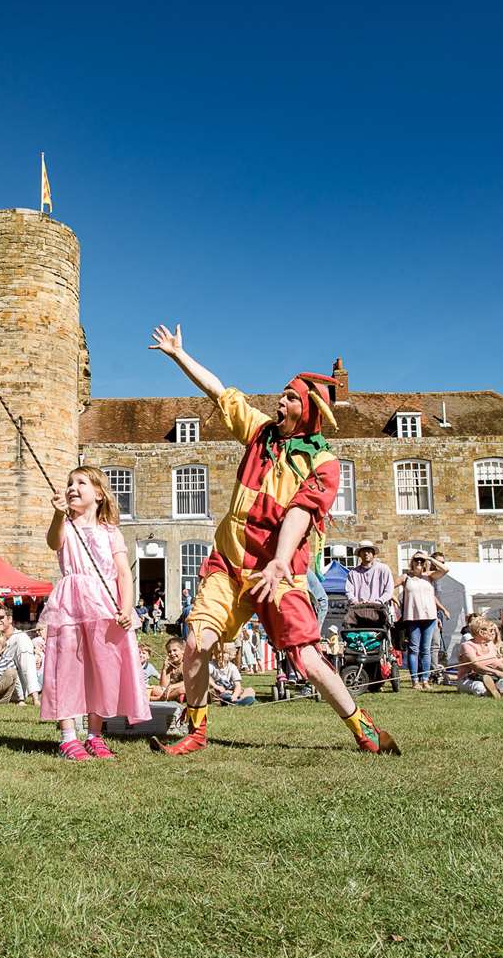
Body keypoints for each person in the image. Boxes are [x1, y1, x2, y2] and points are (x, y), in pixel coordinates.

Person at [147, 324, 396, 756]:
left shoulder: (325, 463)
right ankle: (197, 731)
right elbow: (219, 392)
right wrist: (178, 355)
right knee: (195, 642)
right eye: (282, 395)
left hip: (280, 574)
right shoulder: (261, 433)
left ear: (309, 409)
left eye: (289, 397)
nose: (279, 401)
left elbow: (300, 511)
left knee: (309, 661)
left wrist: (279, 561)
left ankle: (363, 729)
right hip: (229, 561)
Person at [39, 464, 148, 760]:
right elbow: (53, 542)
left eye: (81, 482)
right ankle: (67, 736)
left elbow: (124, 573)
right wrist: (58, 514)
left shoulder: (110, 531)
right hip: (71, 602)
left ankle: (95, 735)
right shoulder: (66, 525)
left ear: (98, 493)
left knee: (102, 669)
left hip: (105, 604)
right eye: (69, 483)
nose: (72, 487)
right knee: (68, 667)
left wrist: (126, 608)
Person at [397, 553, 449, 690]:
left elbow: (445, 569)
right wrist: (394, 599)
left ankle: (425, 680)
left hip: (430, 617)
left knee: (426, 649)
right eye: (416, 560)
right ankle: (415, 680)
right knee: (414, 649)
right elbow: (388, 586)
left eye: (421, 560)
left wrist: (430, 558)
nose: (419, 562)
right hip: (412, 617)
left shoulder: (429, 576)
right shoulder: (405, 577)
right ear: (412, 562)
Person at [455, 617, 503, 698]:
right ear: (481, 632)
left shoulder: (490, 644)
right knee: (479, 686)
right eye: (490, 630)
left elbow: (494, 661)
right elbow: (476, 666)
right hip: (468, 679)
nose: (493, 633)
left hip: (491, 677)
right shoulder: (467, 646)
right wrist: (497, 672)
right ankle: (490, 693)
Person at [0, 605, 40, 703]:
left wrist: (35, 698)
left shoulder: (20, 638)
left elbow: (27, 666)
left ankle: (33, 697)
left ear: (10, 619)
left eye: (0, 617)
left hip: (15, 690)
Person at [345, 542, 394, 615]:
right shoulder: (353, 573)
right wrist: (356, 602)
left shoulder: (384, 569)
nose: (366, 553)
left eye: (369, 551)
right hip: (359, 612)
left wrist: (378, 602)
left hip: (379, 611)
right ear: (359, 554)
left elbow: (389, 591)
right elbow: (349, 592)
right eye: (363, 551)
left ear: (373, 554)